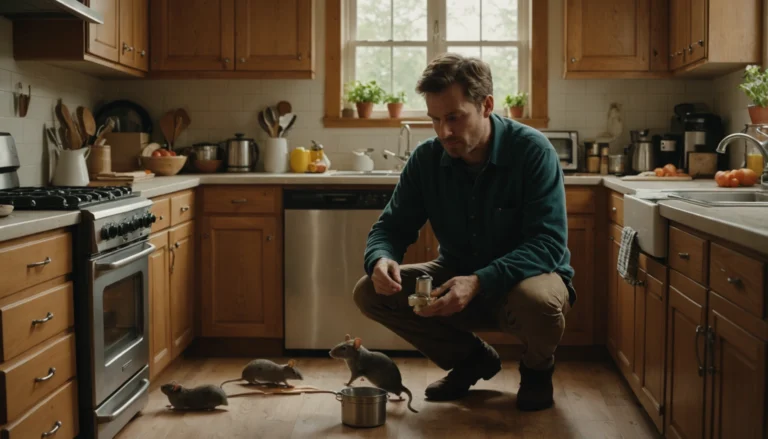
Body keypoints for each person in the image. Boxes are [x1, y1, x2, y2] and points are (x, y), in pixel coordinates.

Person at [352, 53, 576, 411]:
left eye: (454, 117)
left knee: (538, 301)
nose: (444, 132)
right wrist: (381, 258)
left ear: (486, 105)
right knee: (369, 292)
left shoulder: (533, 152)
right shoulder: (426, 159)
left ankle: (537, 369)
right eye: (435, 120)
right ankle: (472, 359)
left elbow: (548, 244)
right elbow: (391, 227)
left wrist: (479, 280)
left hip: (528, 279)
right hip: (454, 274)